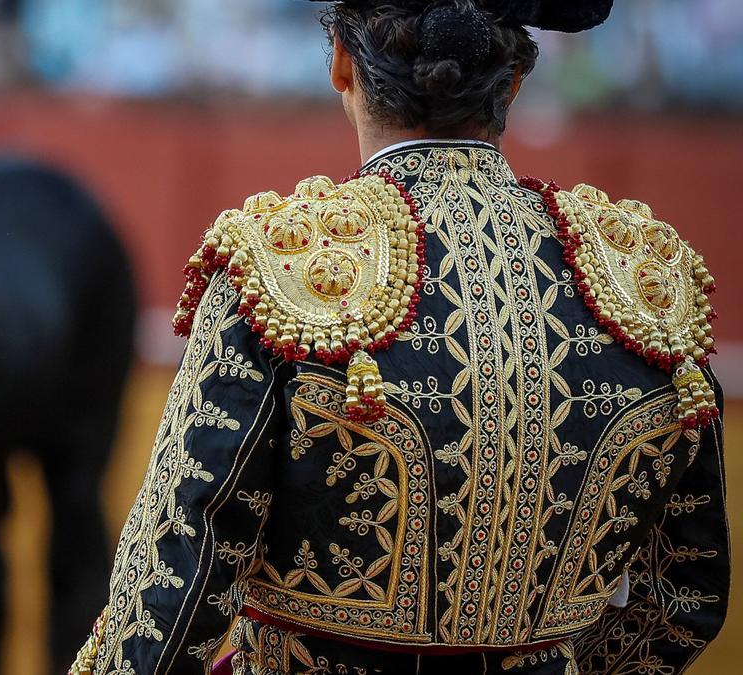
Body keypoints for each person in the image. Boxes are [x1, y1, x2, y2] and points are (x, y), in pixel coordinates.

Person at [70, 1, 728, 673]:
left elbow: (182, 573)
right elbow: (683, 593)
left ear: (341, 65)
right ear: (515, 82)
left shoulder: (276, 265)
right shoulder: (647, 280)